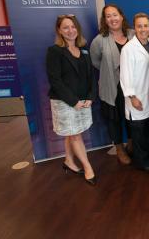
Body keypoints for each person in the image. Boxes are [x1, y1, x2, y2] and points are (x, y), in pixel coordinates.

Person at [46, 14, 97, 185]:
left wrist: (90, 97)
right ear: (59, 31)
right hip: (64, 101)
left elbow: (91, 77)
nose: (70, 30)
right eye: (66, 27)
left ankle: (68, 160)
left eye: (73, 26)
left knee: (72, 132)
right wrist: (73, 101)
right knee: (75, 135)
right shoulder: (54, 51)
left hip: (83, 100)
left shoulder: (84, 50)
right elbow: (55, 80)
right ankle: (88, 167)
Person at [90, 4, 134, 165]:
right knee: (114, 119)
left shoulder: (133, 34)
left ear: (121, 16)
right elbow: (95, 62)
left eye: (115, 15)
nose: (112, 19)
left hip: (132, 86)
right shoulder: (99, 40)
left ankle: (131, 143)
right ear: (105, 20)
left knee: (131, 116)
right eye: (108, 16)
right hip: (112, 87)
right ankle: (119, 148)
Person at [120, 12, 149, 171]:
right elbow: (125, 75)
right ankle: (142, 160)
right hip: (136, 96)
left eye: (145, 25)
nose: (143, 29)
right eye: (139, 26)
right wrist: (132, 97)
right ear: (134, 28)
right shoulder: (129, 48)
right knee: (138, 132)